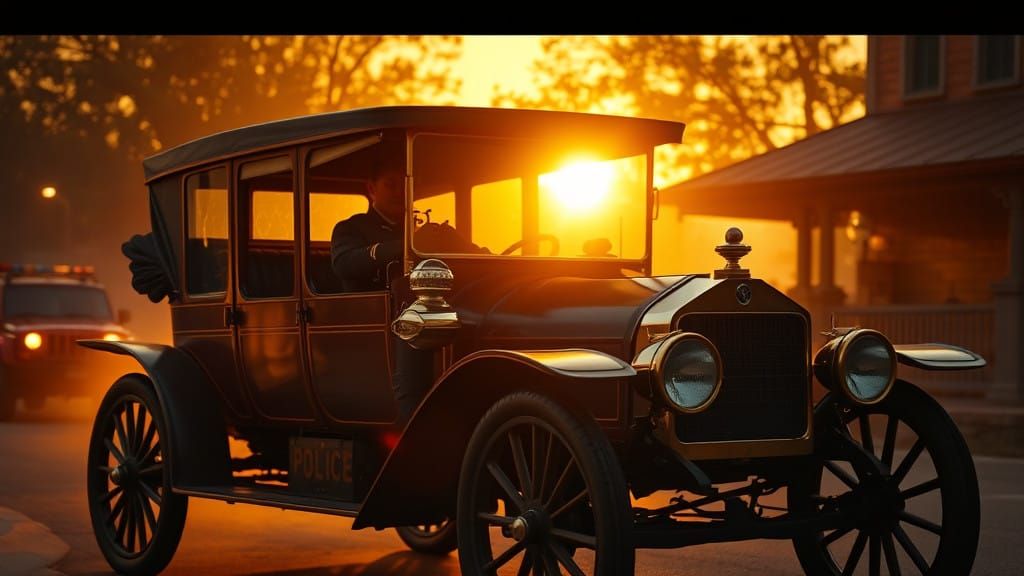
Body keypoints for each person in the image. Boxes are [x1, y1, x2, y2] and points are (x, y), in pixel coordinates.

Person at [330, 168, 432, 424]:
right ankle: (413, 423)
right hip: (373, 325)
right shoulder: (350, 229)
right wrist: (406, 247)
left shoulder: (425, 231)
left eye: (405, 186)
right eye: (391, 184)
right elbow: (345, 263)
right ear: (371, 188)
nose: (400, 192)